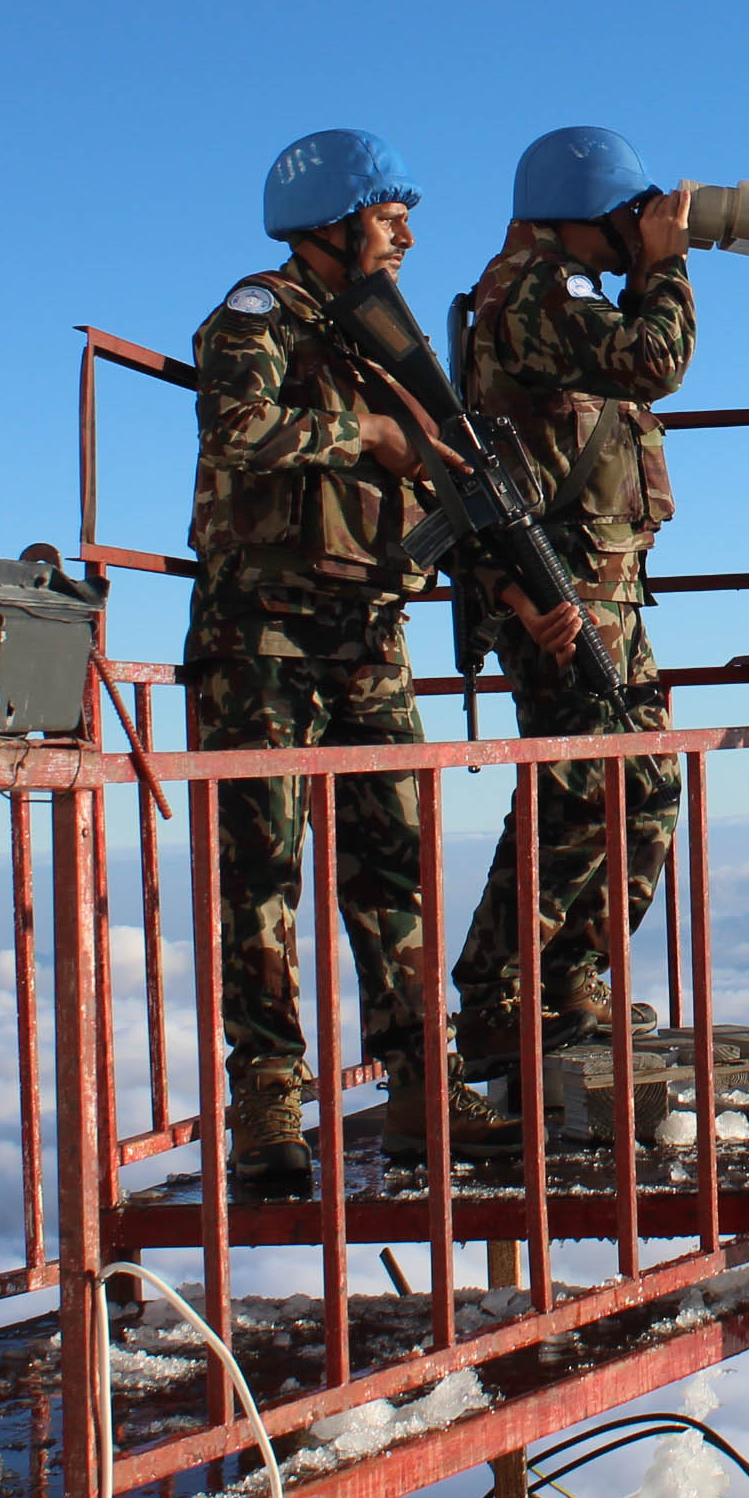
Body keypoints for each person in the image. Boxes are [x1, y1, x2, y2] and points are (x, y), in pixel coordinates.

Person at [185, 127, 452, 1198]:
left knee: (393, 858)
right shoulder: (255, 314)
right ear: (336, 222)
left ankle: (420, 1077)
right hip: (261, 636)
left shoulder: (386, 334)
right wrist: (372, 437)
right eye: (391, 218)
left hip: (366, 632)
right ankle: (266, 1103)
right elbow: (238, 427)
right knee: (261, 874)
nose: (408, 236)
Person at [449, 124, 697, 1068]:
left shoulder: (546, 288)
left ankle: (556, 983)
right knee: (574, 798)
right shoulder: (539, 288)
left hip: (599, 589)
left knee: (634, 791)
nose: (646, 227)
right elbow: (654, 362)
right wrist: (666, 268)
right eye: (634, 213)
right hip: (561, 595)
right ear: (593, 211)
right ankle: (500, 994)